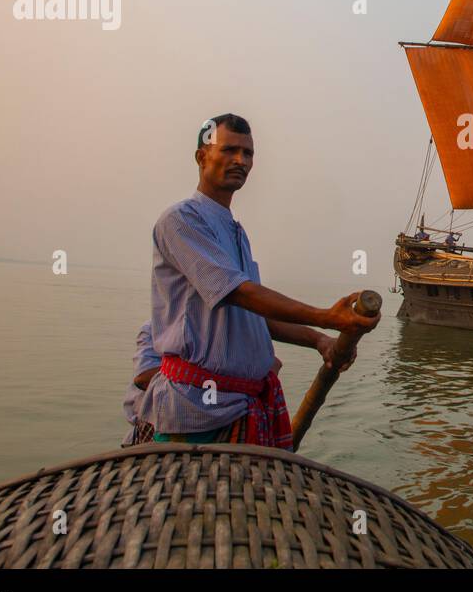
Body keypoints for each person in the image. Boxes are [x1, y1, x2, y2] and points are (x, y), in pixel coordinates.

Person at [135, 114, 379, 450]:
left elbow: (253, 315)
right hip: (198, 412)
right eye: (229, 150)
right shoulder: (180, 220)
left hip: (242, 408)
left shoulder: (236, 232)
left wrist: (319, 340)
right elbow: (238, 293)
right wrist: (324, 315)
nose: (241, 161)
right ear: (201, 156)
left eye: (248, 153)